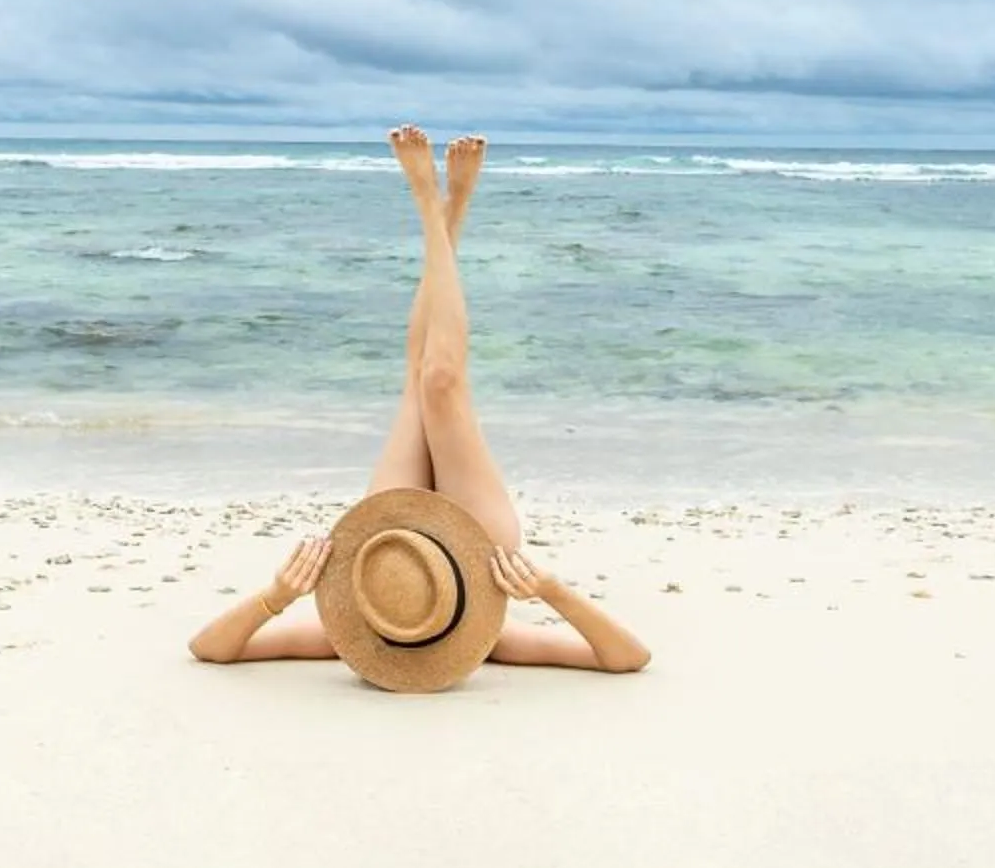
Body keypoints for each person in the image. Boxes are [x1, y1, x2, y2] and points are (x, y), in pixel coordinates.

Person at [187, 126, 651, 675]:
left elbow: (208, 647)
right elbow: (629, 658)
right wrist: (551, 592)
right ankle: (444, 212)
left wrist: (277, 596)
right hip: (481, 550)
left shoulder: (355, 629)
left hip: (390, 537)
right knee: (442, 381)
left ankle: (432, 207)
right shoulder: (489, 641)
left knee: (420, 379)